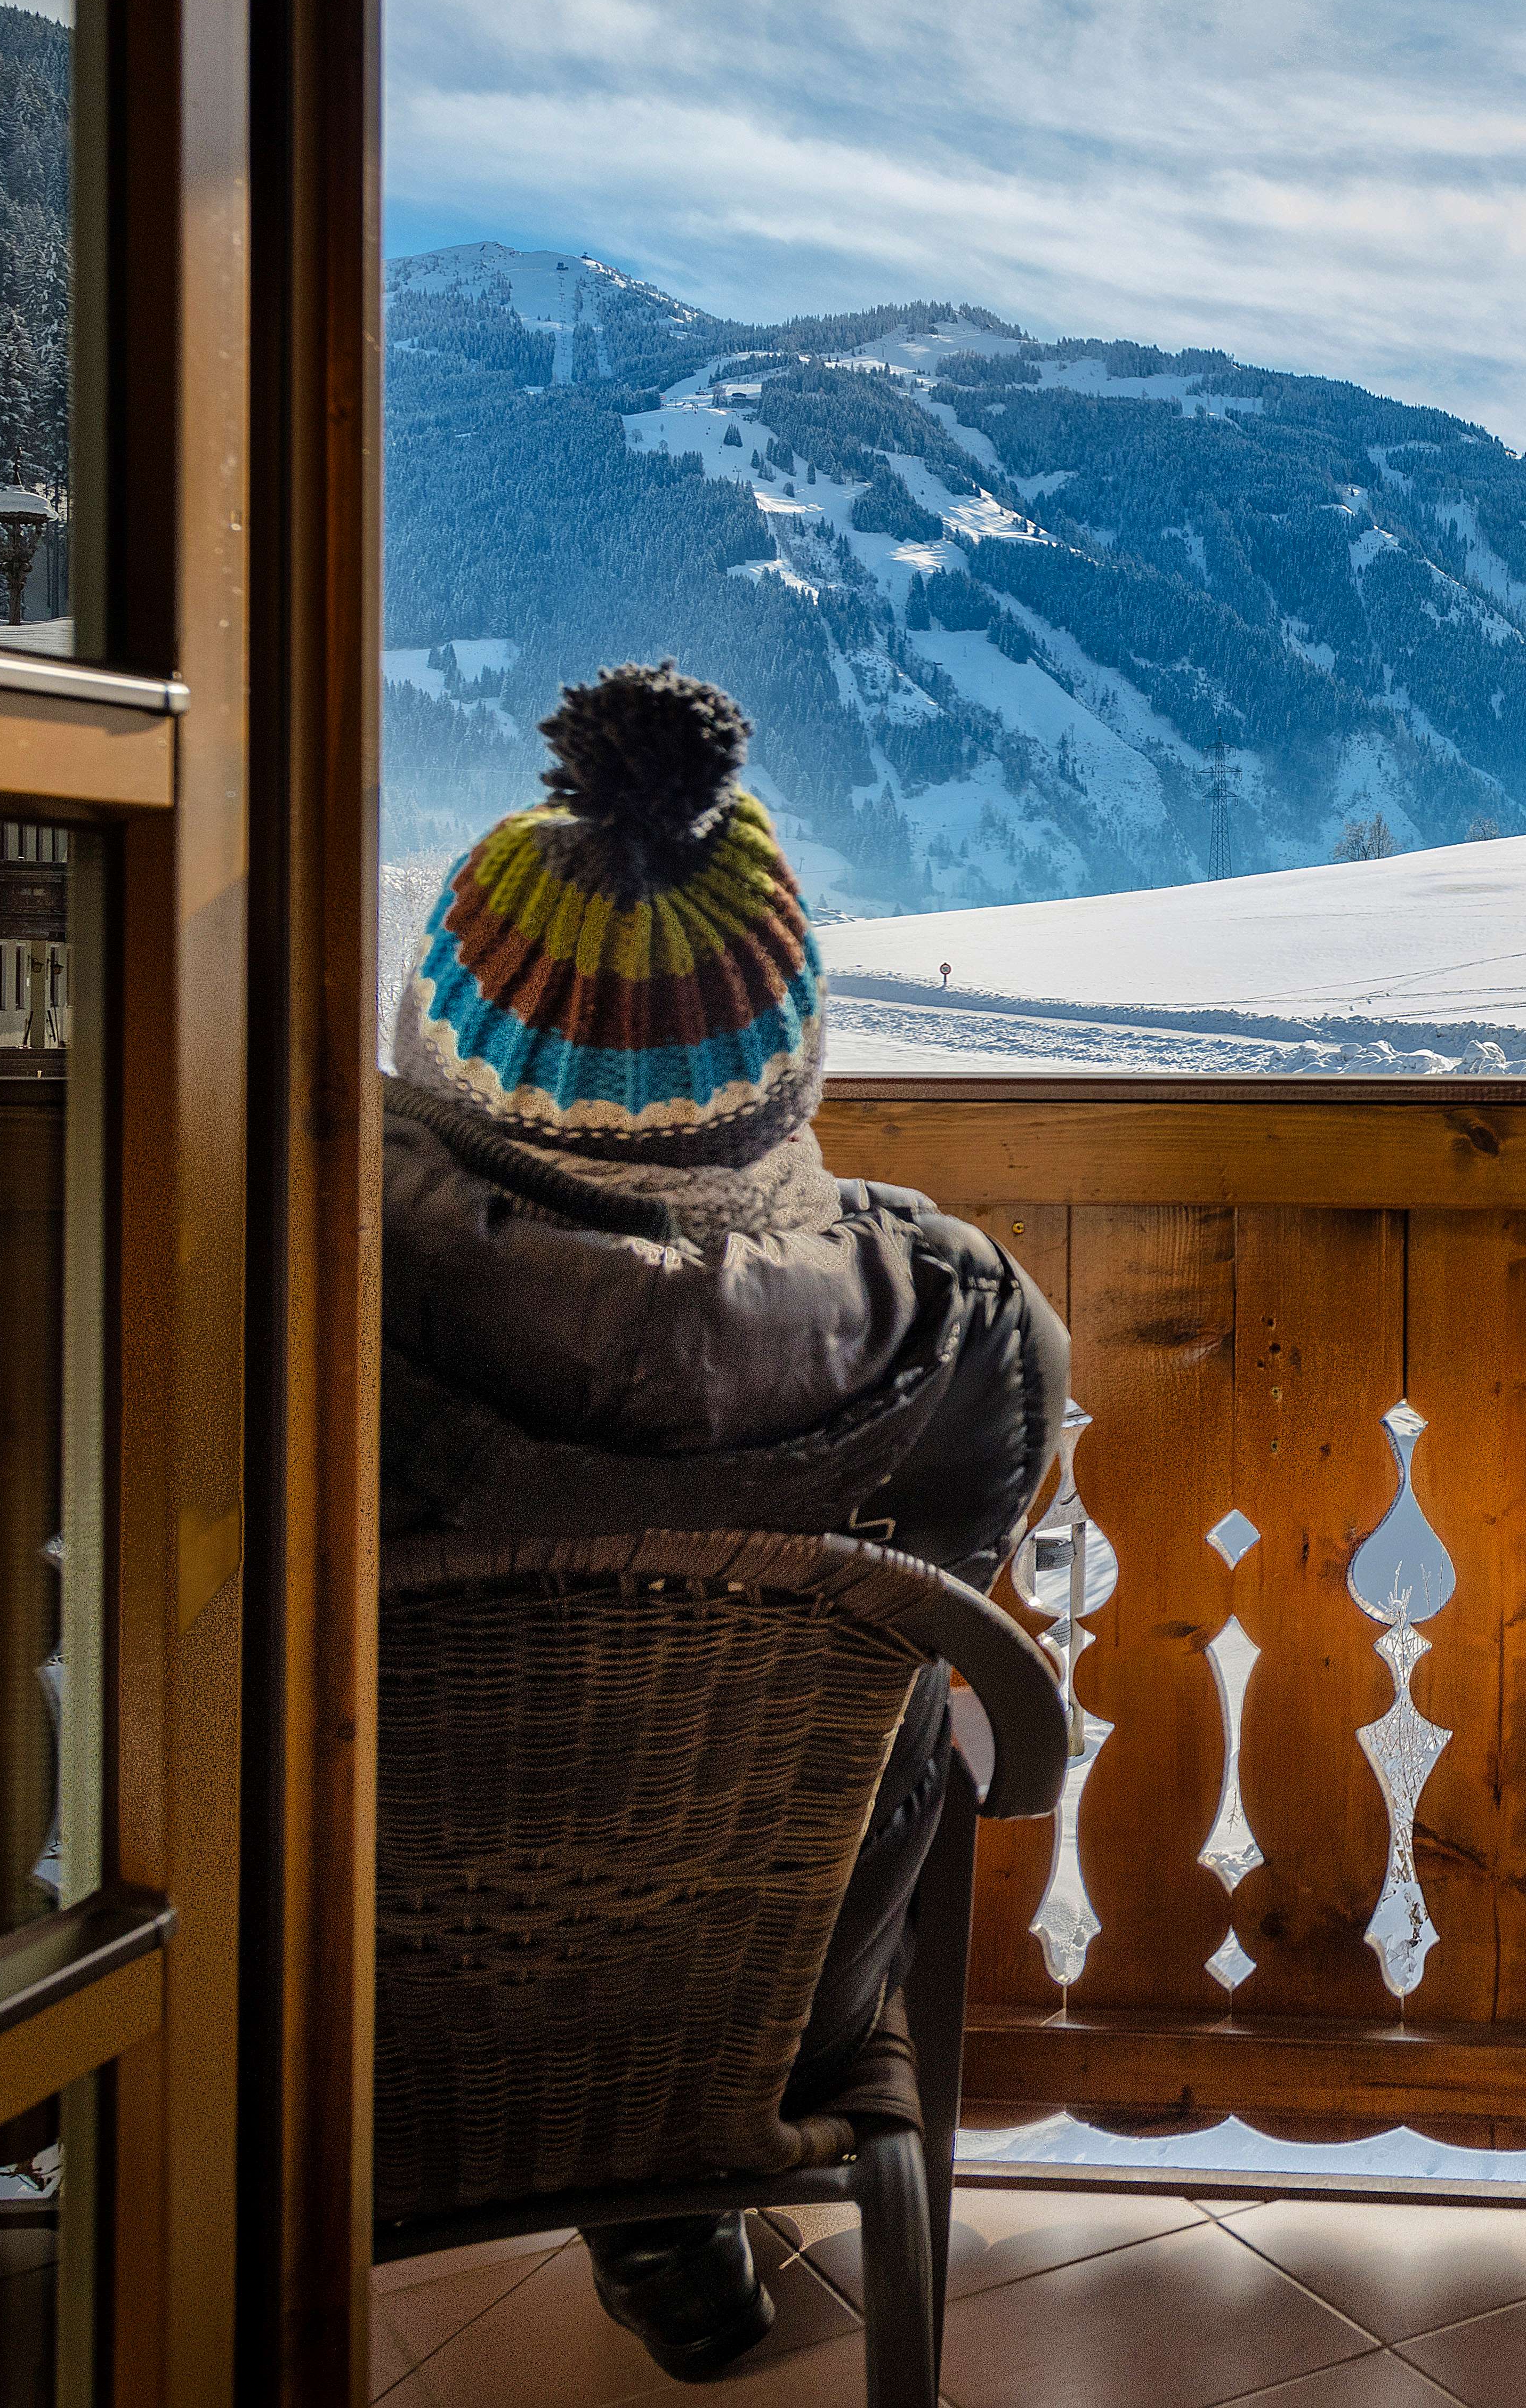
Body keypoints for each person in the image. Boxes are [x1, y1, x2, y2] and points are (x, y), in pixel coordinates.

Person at [378, 664, 1064, 2378]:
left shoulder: (297, 1279)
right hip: (748, 2012)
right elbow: (942, 1619)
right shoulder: (964, 1330)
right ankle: (672, 2209)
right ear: (785, 1061)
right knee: (853, 1747)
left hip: (333, 1976)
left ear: (440, 1041)